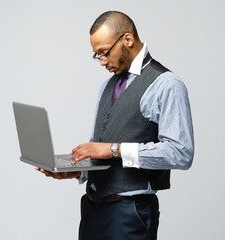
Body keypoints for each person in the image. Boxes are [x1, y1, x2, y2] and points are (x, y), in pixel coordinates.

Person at [36, 11, 194, 240]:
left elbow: (181, 153)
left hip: (130, 213)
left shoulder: (166, 84)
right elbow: (100, 151)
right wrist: (77, 171)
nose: (102, 62)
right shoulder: (106, 87)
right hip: (93, 210)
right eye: (96, 55)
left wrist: (114, 148)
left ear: (127, 40)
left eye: (104, 52)